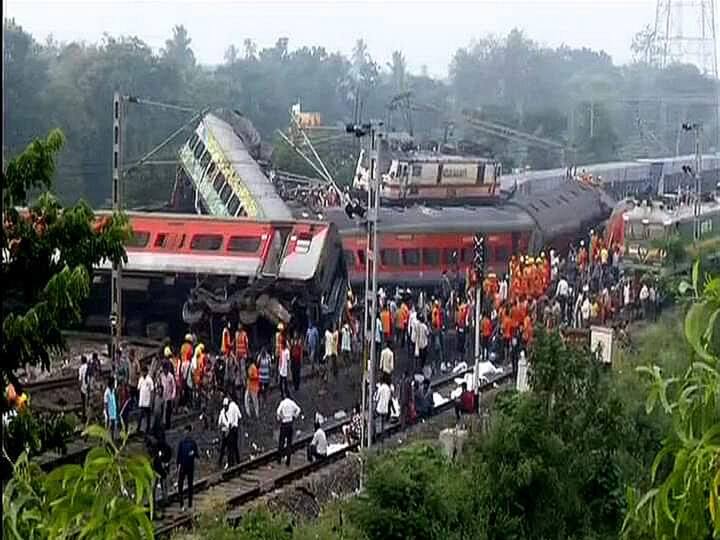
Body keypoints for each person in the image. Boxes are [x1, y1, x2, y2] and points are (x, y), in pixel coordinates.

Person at [176, 424, 199, 511]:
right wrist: (178, 465)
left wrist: (193, 453)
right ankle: (181, 503)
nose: (185, 433)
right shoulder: (181, 443)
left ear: (190, 432)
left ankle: (190, 503)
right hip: (182, 466)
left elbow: (196, 454)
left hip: (190, 466)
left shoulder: (192, 443)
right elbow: (179, 455)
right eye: (185, 431)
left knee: (190, 485)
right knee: (180, 485)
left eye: (187, 431)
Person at [276, 395, 301, 467]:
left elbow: (278, 412)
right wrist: (294, 416)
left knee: (281, 441)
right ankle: (288, 461)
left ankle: (279, 459)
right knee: (289, 442)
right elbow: (298, 409)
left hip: (284, 423)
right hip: (290, 423)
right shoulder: (292, 402)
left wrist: (281, 417)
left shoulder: (282, 403)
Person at [151, 431, 172, 514]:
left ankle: (154, 503)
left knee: (154, 488)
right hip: (162, 470)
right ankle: (165, 499)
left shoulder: (154, 447)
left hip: (156, 470)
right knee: (163, 486)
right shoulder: (166, 447)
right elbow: (168, 457)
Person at [137, 366, 154, 434]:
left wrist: (151, 401)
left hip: (148, 401)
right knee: (140, 415)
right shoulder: (141, 379)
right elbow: (138, 388)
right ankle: (138, 428)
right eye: (142, 372)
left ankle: (148, 428)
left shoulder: (149, 380)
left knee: (148, 416)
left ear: (146, 372)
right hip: (142, 401)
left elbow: (152, 390)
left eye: (144, 372)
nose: (143, 373)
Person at [226, 395, 242, 467]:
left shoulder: (230, 408)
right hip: (236, 428)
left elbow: (230, 421)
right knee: (235, 446)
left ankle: (231, 463)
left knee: (230, 447)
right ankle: (238, 461)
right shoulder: (235, 406)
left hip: (231, 429)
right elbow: (240, 416)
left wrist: (227, 432)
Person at [160, 362, 175, 430]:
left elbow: (174, 387)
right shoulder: (161, 376)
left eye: (166, 369)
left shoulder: (171, 376)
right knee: (162, 411)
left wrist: (173, 395)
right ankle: (162, 424)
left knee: (168, 412)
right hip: (163, 396)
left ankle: (168, 425)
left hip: (169, 396)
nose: (165, 370)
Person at [217, 398, 231, 469]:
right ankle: (220, 461)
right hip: (224, 432)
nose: (225, 407)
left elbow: (231, 422)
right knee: (222, 448)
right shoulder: (222, 412)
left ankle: (229, 461)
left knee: (229, 448)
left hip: (229, 432)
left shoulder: (230, 412)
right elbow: (219, 423)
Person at [78, 356, 89, 421]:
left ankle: (84, 416)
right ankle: (88, 415)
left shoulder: (81, 368)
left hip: (84, 387)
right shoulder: (89, 367)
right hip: (89, 387)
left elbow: (80, 379)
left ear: (82, 361)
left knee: (84, 402)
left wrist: (79, 387)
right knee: (88, 402)